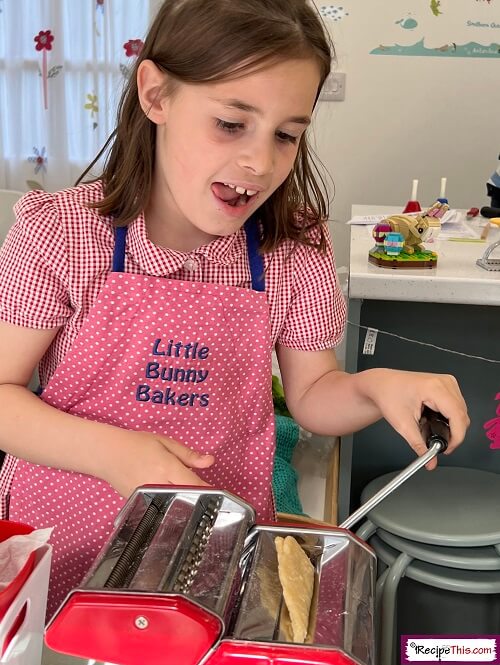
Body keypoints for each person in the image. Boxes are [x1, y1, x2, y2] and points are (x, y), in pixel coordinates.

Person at [0, 0, 469, 619]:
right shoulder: (61, 234)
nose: (261, 163)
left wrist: (377, 387)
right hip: (64, 545)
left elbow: (314, 394)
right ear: (156, 94)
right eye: (230, 123)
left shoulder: (292, 247)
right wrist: (116, 452)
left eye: (286, 135)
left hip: (216, 553)